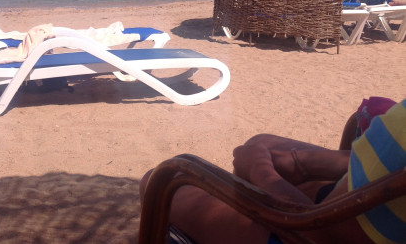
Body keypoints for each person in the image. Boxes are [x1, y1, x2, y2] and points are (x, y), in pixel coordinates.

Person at [140, 99, 406, 244]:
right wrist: (304, 163)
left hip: (313, 233)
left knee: (162, 179)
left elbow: (321, 235)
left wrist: (261, 171)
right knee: (261, 142)